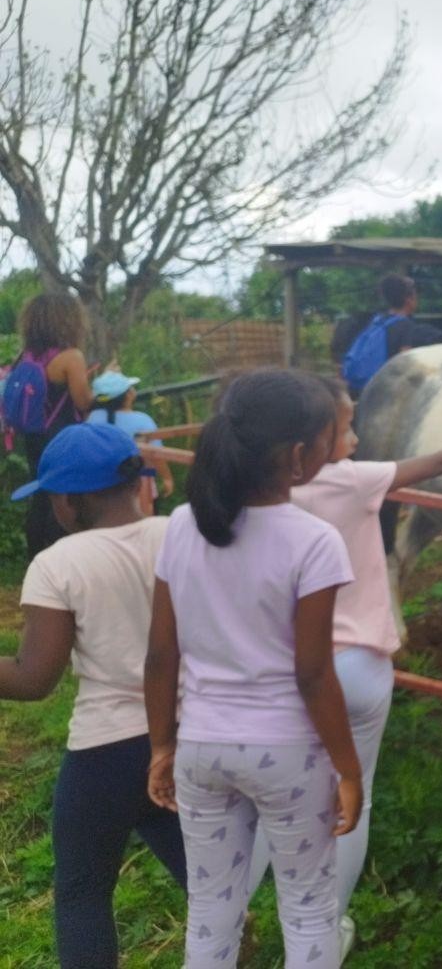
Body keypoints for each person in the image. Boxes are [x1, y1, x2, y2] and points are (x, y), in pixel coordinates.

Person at [247, 375, 442, 960]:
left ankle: (233, 910)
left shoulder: (251, 492)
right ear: (311, 441)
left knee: (272, 791)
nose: (357, 436)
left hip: (286, 668)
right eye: (345, 428)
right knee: (351, 797)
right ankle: (323, 931)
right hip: (358, 668)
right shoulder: (354, 480)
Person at [144, 369, 363, 968]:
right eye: (329, 437)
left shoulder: (182, 527)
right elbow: (314, 674)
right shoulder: (315, 542)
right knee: (309, 909)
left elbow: (162, 654)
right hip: (288, 752)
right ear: (298, 456)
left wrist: (162, 744)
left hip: (202, 748)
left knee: (212, 910)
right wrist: (349, 769)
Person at [0, 423, 186, 967]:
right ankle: (231, 924)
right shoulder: (178, 534)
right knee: (193, 856)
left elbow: (35, 678)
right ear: (137, 483)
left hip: (104, 750)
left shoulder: (58, 564)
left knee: (82, 892)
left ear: (65, 501)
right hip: (180, 735)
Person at [11, 293, 94, 559]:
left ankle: (36, 559)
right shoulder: (71, 357)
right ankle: (61, 559)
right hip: (62, 437)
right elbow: (83, 402)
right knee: (64, 498)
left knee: (41, 496)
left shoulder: (25, 356)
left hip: (33, 436)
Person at [88, 370, 175, 498]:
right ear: (129, 395)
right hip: (139, 487)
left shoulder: (93, 418)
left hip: (101, 485)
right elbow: (156, 454)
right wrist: (167, 479)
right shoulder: (142, 420)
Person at [341, 274, 421, 395]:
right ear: (408, 300)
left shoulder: (378, 320)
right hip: (384, 388)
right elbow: (405, 361)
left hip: (362, 386)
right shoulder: (405, 325)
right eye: (415, 296)